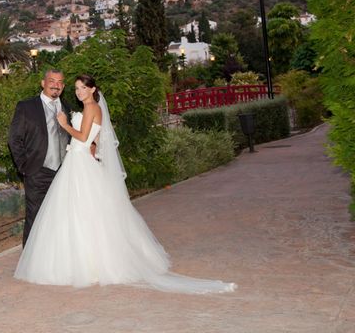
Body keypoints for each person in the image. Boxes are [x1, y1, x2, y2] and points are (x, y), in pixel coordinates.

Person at [14, 74, 237, 294]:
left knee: (82, 213)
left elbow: (81, 137)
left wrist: (65, 125)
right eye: (76, 88)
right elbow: (94, 138)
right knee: (76, 213)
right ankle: (69, 259)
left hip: (79, 163)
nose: (78, 91)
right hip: (76, 162)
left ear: (92, 89)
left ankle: (88, 264)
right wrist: (92, 147)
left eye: (82, 87)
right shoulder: (81, 107)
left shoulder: (91, 107)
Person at [8, 69, 72, 246]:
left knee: (60, 215)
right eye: (51, 81)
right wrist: (24, 166)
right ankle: (29, 258)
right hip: (37, 170)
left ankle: (54, 253)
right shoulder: (26, 106)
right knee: (35, 215)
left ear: (63, 86)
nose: (56, 85)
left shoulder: (66, 107)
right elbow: (14, 138)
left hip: (63, 172)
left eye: (60, 82)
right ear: (43, 83)